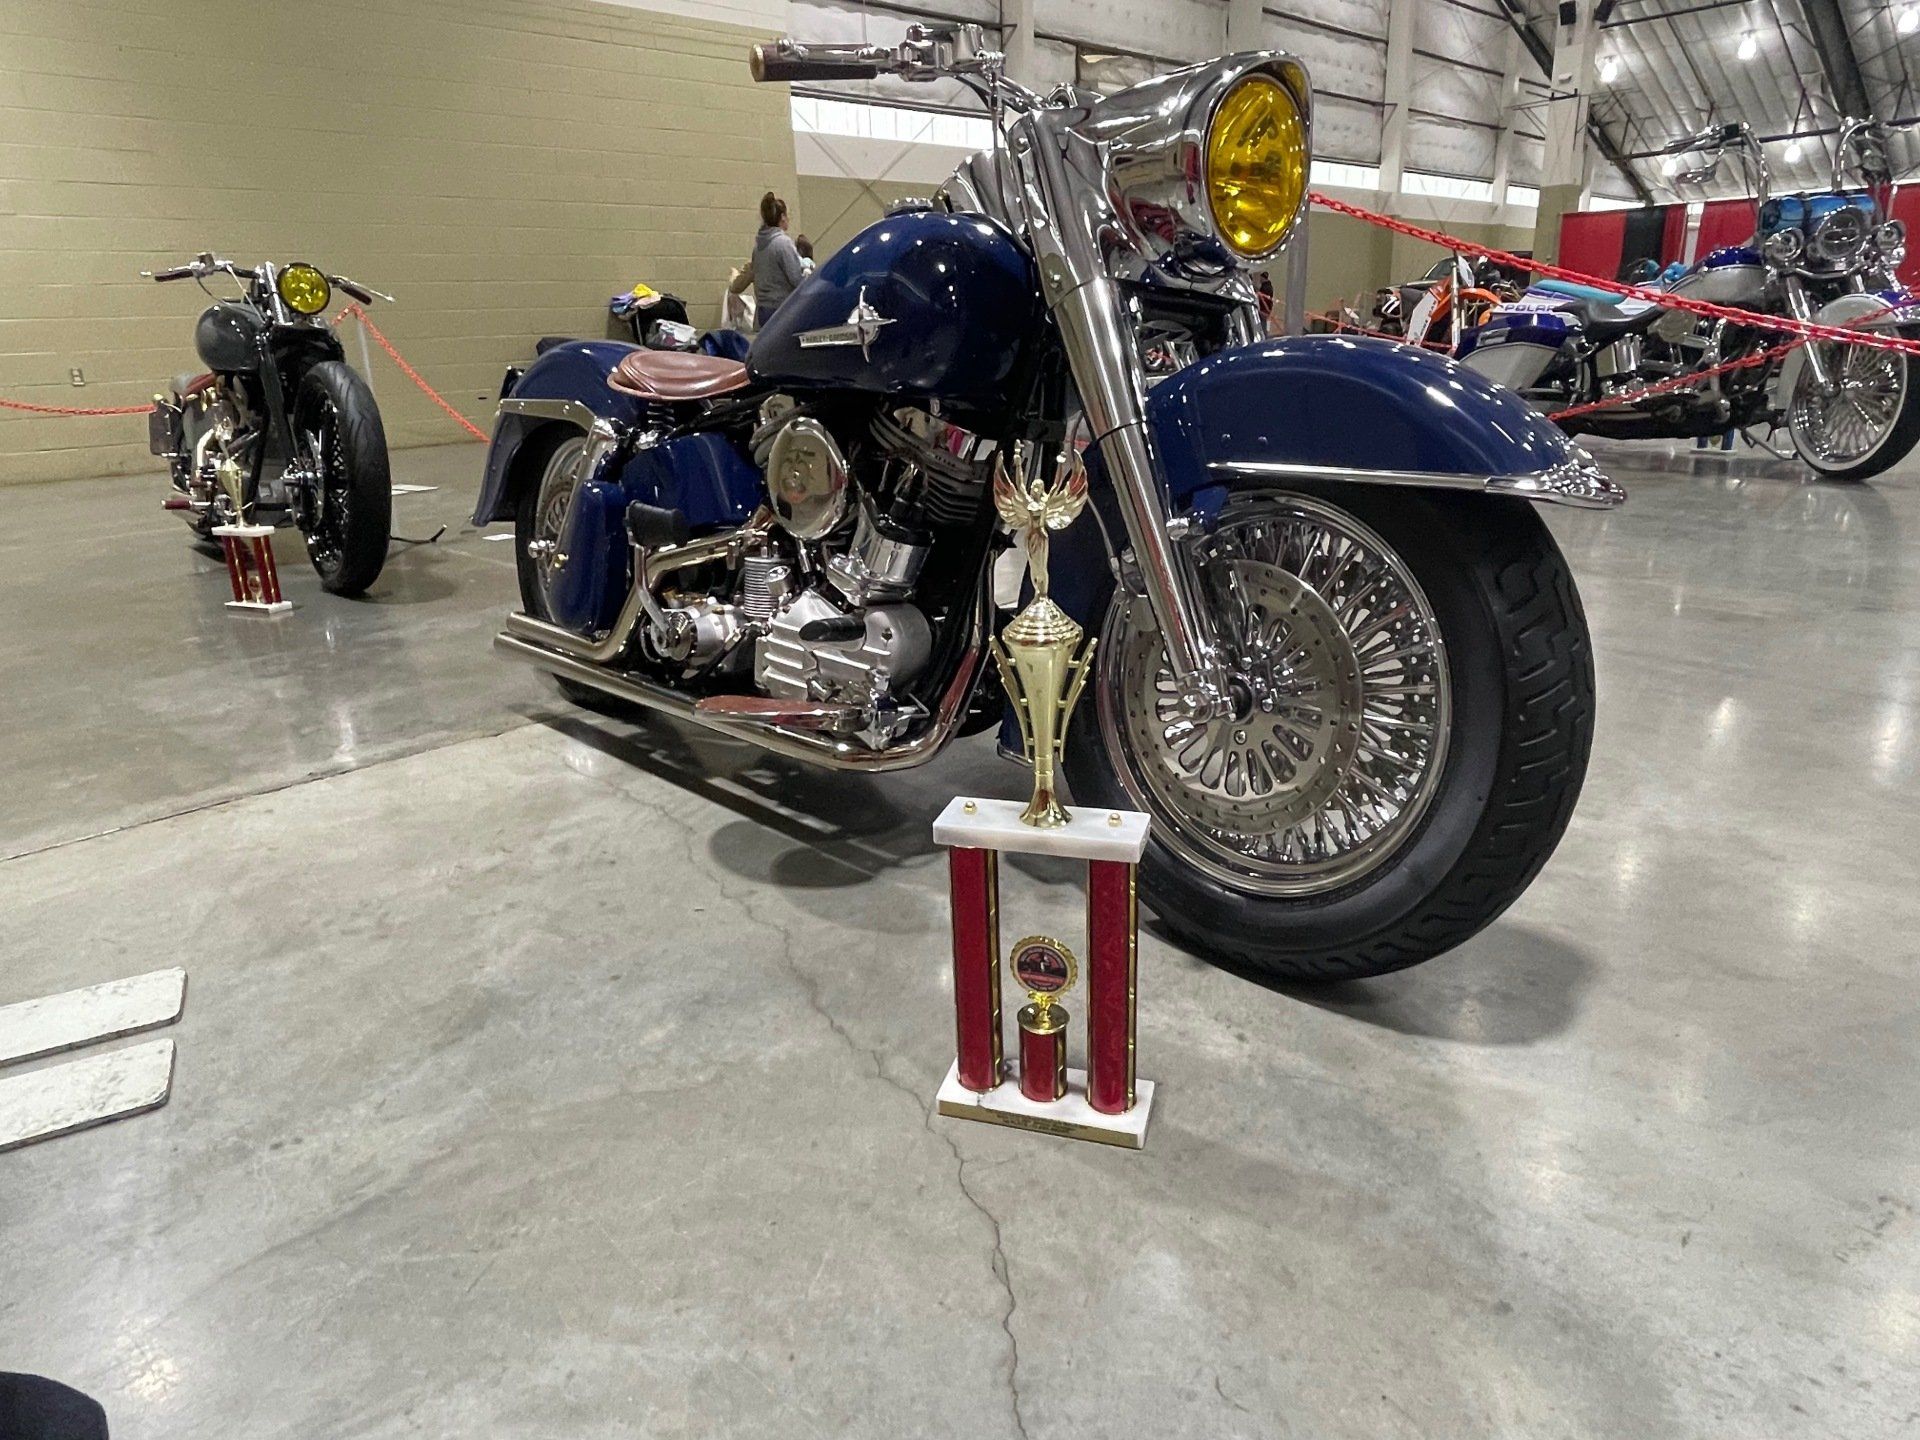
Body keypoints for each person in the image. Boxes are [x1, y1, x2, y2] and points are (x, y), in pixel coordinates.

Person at [744, 192, 806, 327]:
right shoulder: (783, 243)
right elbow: (796, 279)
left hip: (762, 313)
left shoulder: (758, 247)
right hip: (781, 311)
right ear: (782, 217)